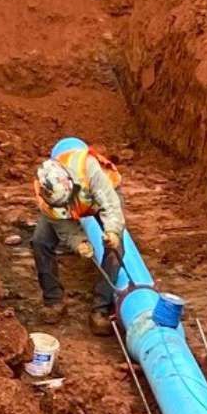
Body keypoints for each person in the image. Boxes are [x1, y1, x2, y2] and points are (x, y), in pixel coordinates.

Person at [32, 137, 125, 336]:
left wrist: (112, 231)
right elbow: (64, 228)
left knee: (114, 249)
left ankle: (100, 309)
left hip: (99, 199)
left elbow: (110, 205)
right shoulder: (47, 197)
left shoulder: (88, 170)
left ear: (70, 184)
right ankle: (53, 300)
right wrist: (78, 243)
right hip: (73, 202)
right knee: (40, 241)